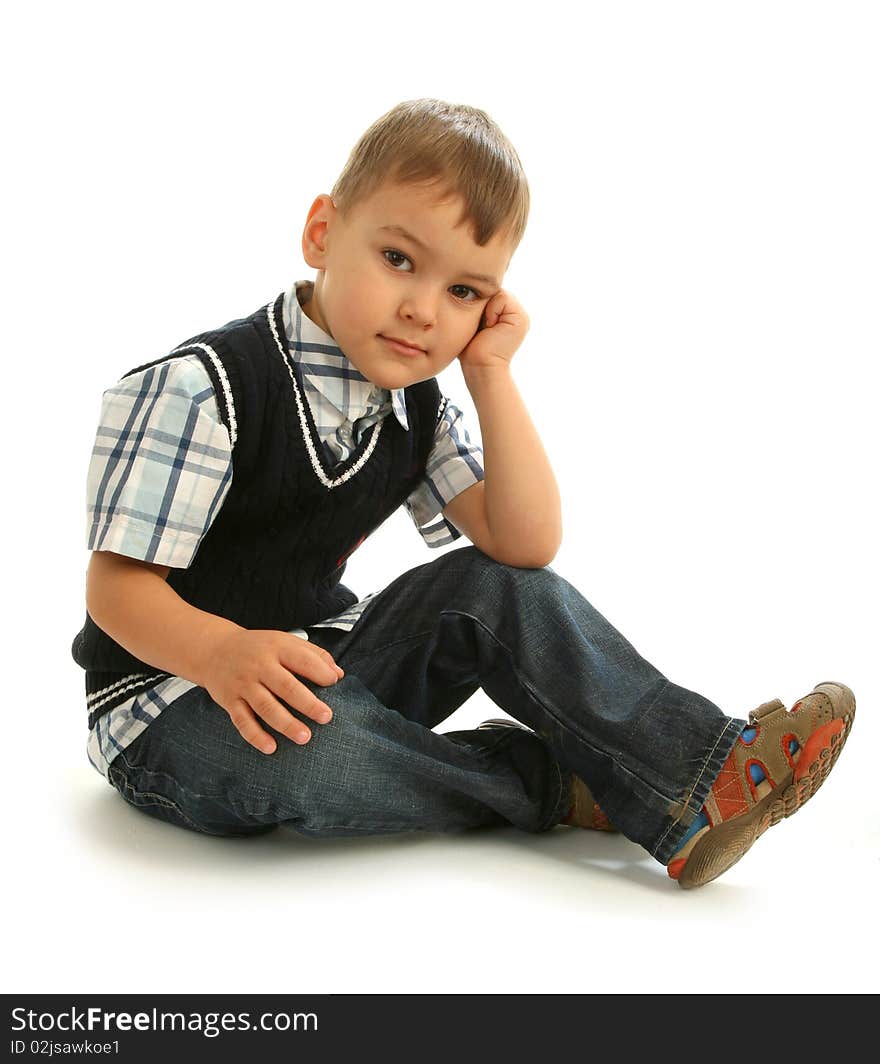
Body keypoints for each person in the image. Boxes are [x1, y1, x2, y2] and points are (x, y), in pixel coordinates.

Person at [71, 98, 855, 889]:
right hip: (167, 702)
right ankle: (556, 783)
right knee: (313, 757)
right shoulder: (205, 390)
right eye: (400, 261)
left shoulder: (416, 402)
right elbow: (115, 589)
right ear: (321, 234)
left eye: (465, 293)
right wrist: (218, 652)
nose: (423, 311)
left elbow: (524, 545)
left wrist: (488, 373)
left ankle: (694, 780)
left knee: (497, 585)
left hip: (318, 662)